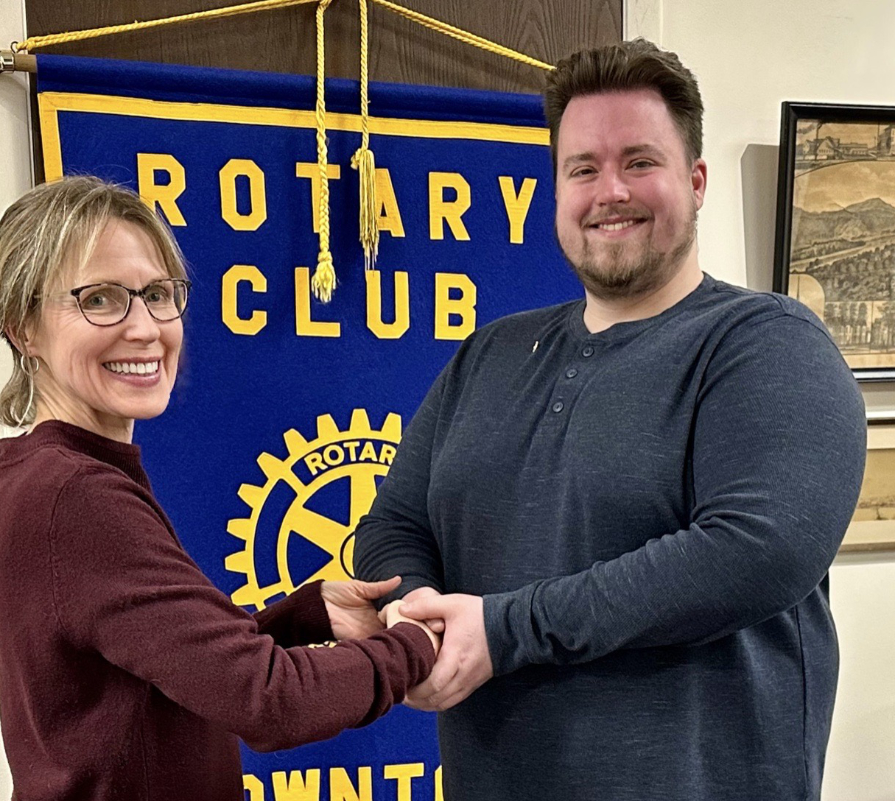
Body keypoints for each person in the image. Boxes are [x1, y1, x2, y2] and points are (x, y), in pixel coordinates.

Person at [354, 38, 866, 800]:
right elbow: (393, 523)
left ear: (696, 182)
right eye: (583, 169)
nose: (610, 191)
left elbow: (755, 551)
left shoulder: (766, 344)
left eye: (640, 162)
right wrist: (414, 623)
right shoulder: (489, 354)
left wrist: (503, 630)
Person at [0, 175, 438, 801]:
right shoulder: (76, 497)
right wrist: (415, 646)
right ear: (23, 327)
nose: (145, 328)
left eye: (157, 295)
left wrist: (307, 617)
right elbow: (270, 700)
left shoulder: (43, 476)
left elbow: (163, 670)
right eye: (100, 299)